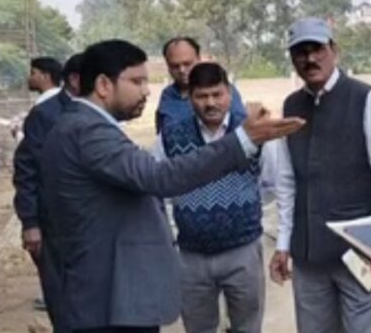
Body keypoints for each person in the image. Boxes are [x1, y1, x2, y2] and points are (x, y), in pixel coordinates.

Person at [41, 39, 303, 333]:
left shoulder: (82, 126)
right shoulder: (87, 131)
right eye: (137, 81)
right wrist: (243, 140)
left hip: (112, 291)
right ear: (103, 85)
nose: (146, 90)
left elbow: (271, 185)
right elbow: (158, 177)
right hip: (104, 297)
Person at [269, 18, 371, 333]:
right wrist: (283, 243)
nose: (310, 59)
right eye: (301, 52)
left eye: (317, 49)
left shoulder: (365, 99)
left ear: (334, 50)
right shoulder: (292, 105)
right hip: (308, 257)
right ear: (292, 58)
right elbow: (287, 181)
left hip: (357, 254)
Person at [152, 62, 275, 333]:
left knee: (248, 327)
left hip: (242, 252)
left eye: (217, 94)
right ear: (190, 98)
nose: (210, 103)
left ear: (229, 92)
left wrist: (243, 209)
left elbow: (271, 184)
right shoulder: (170, 136)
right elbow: (157, 186)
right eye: (202, 96)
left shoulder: (253, 131)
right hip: (191, 257)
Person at [13, 52, 83, 329]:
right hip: (55, 225)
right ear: (75, 80)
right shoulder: (45, 115)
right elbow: (27, 170)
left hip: (88, 224)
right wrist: (30, 222)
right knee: (62, 299)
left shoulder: (95, 111)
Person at [155, 37, 246, 133]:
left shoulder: (223, 92)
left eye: (187, 64)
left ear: (199, 59)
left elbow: (240, 127)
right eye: (175, 66)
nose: (182, 70)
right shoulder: (167, 96)